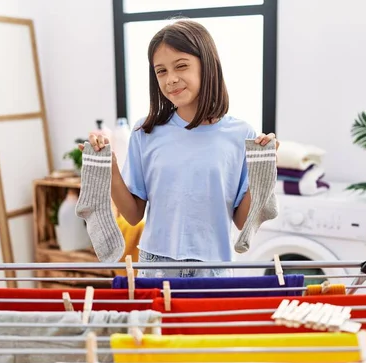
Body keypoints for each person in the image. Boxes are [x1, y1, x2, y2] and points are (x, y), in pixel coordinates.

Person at [79, 18, 278, 278]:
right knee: (154, 322)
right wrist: (111, 169)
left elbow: (242, 221)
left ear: (207, 66)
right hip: (155, 265)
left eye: (181, 66)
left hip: (214, 267)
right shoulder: (146, 131)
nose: (171, 79)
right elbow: (133, 214)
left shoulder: (241, 134)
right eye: (161, 71)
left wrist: (263, 170)